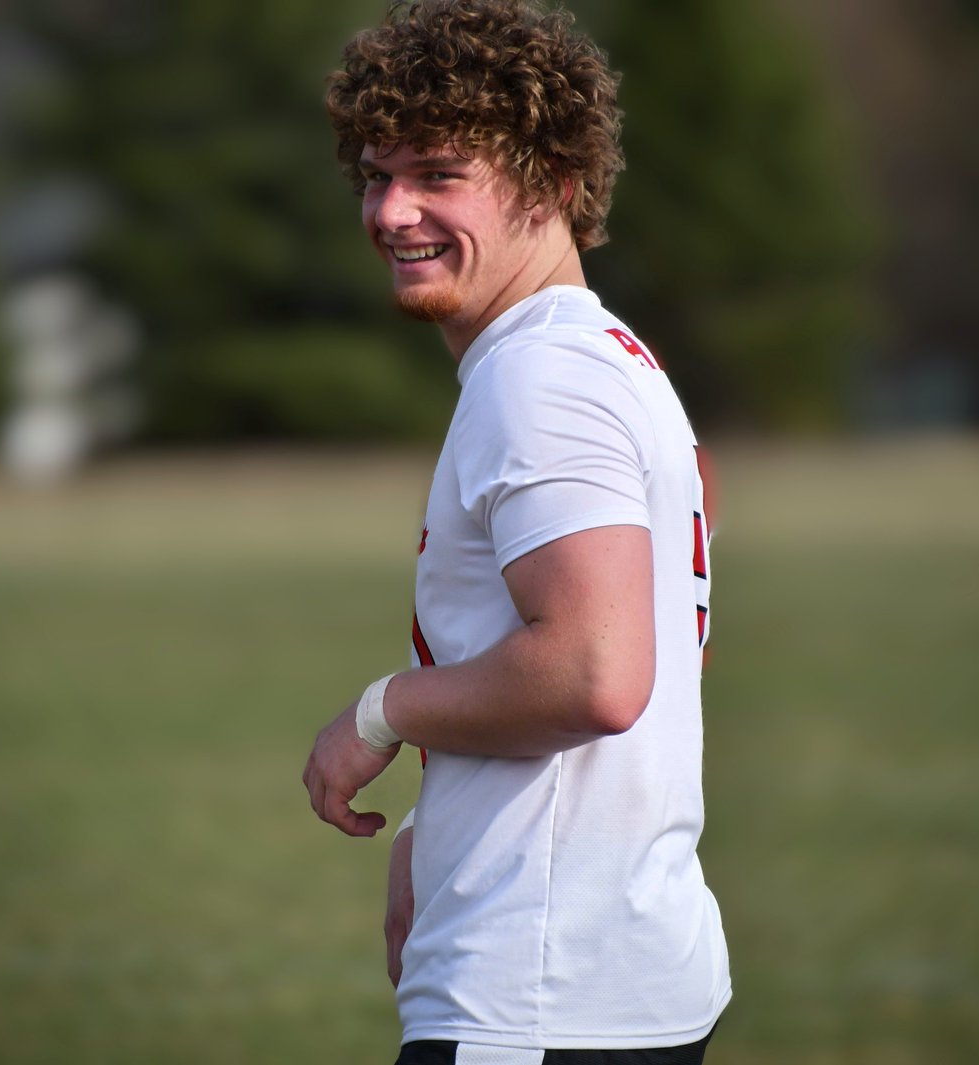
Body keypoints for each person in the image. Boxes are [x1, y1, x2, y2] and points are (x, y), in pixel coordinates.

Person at [303, 2, 731, 1062]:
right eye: (375, 174)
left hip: (540, 994)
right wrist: (435, 828)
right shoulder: (608, 358)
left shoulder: (539, 377)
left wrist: (382, 713)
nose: (394, 211)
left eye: (438, 174)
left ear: (557, 187)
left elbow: (595, 671)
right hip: (616, 973)